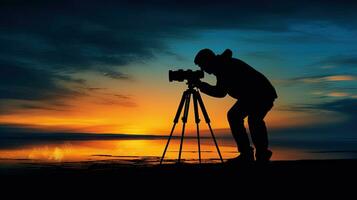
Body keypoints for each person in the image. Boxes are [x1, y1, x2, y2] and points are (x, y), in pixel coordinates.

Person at [194, 48, 278, 163]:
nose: (202, 69)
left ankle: (252, 154)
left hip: (260, 93)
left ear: (208, 61)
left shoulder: (224, 67)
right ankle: (256, 153)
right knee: (249, 119)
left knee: (243, 118)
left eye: (202, 65)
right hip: (255, 94)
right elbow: (221, 91)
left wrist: (201, 86)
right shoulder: (222, 65)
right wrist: (201, 86)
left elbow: (220, 92)